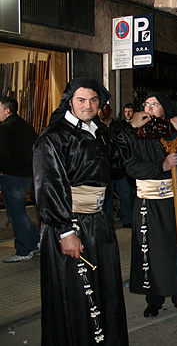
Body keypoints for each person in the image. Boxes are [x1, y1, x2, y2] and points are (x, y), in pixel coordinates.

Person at [33, 78, 129, 345]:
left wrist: (120, 132)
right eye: (81, 100)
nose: (88, 105)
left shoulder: (97, 131)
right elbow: (48, 185)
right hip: (71, 223)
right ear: (70, 101)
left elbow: (118, 165)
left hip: (99, 222)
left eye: (94, 100)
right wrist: (65, 231)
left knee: (106, 288)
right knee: (75, 294)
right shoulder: (54, 136)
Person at [126, 92, 177, 317]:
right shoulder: (137, 135)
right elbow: (129, 165)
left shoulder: (173, 130)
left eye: (155, 104)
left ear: (164, 109)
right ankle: (154, 298)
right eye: (146, 104)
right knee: (152, 251)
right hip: (149, 202)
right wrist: (162, 166)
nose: (149, 108)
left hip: (176, 199)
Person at [0, 96, 40, 263]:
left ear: (7, 110)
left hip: (12, 175)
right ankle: (35, 241)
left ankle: (24, 248)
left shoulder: (5, 128)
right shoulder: (26, 126)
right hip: (27, 174)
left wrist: (3, 170)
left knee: (16, 213)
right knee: (20, 212)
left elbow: (4, 154)